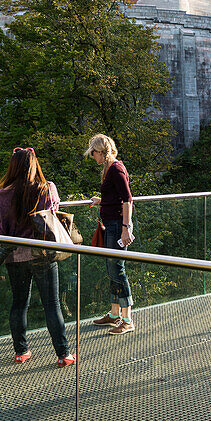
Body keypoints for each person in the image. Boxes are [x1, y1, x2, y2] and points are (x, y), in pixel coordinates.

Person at [0, 147, 75, 367]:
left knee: (19, 304)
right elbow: (53, 215)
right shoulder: (47, 189)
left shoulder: (1, 195)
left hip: (14, 256)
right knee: (52, 305)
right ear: (34, 165)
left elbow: (2, 226)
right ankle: (63, 354)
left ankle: (21, 352)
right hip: (43, 255)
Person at [86, 134, 135, 334]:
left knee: (118, 270)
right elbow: (116, 197)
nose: (93, 157)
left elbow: (127, 199)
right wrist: (102, 200)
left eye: (94, 153)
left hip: (116, 226)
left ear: (102, 151)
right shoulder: (109, 169)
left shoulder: (115, 169)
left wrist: (125, 228)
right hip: (111, 224)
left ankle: (127, 319)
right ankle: (115, 314)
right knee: (112, 269)